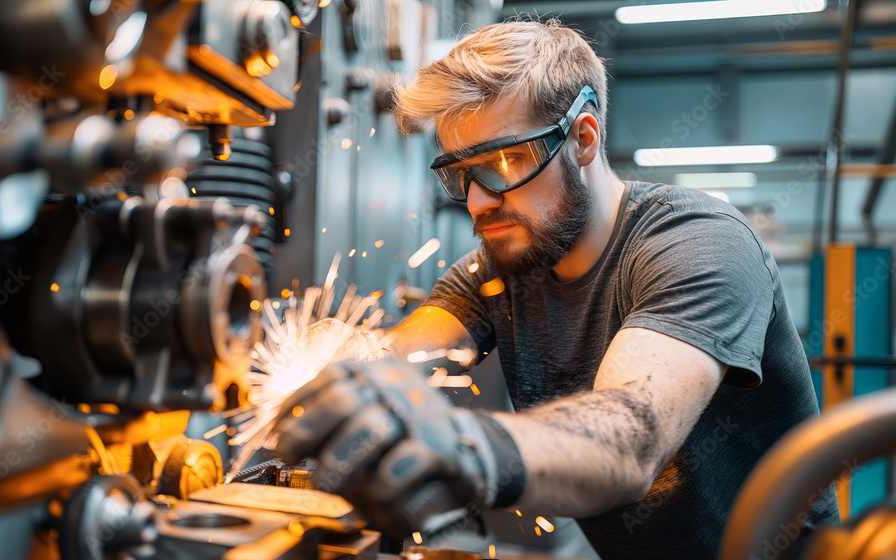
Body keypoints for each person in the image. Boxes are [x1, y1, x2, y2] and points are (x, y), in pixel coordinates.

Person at [271, 19, 840, 559]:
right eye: (459, 174)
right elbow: (400, 355)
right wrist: (343, 368)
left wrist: (466, 447)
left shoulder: (699, 243)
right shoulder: (494, 273)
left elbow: (629, 440)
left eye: (502, 162)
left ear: (583, 138)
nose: (477, 201)